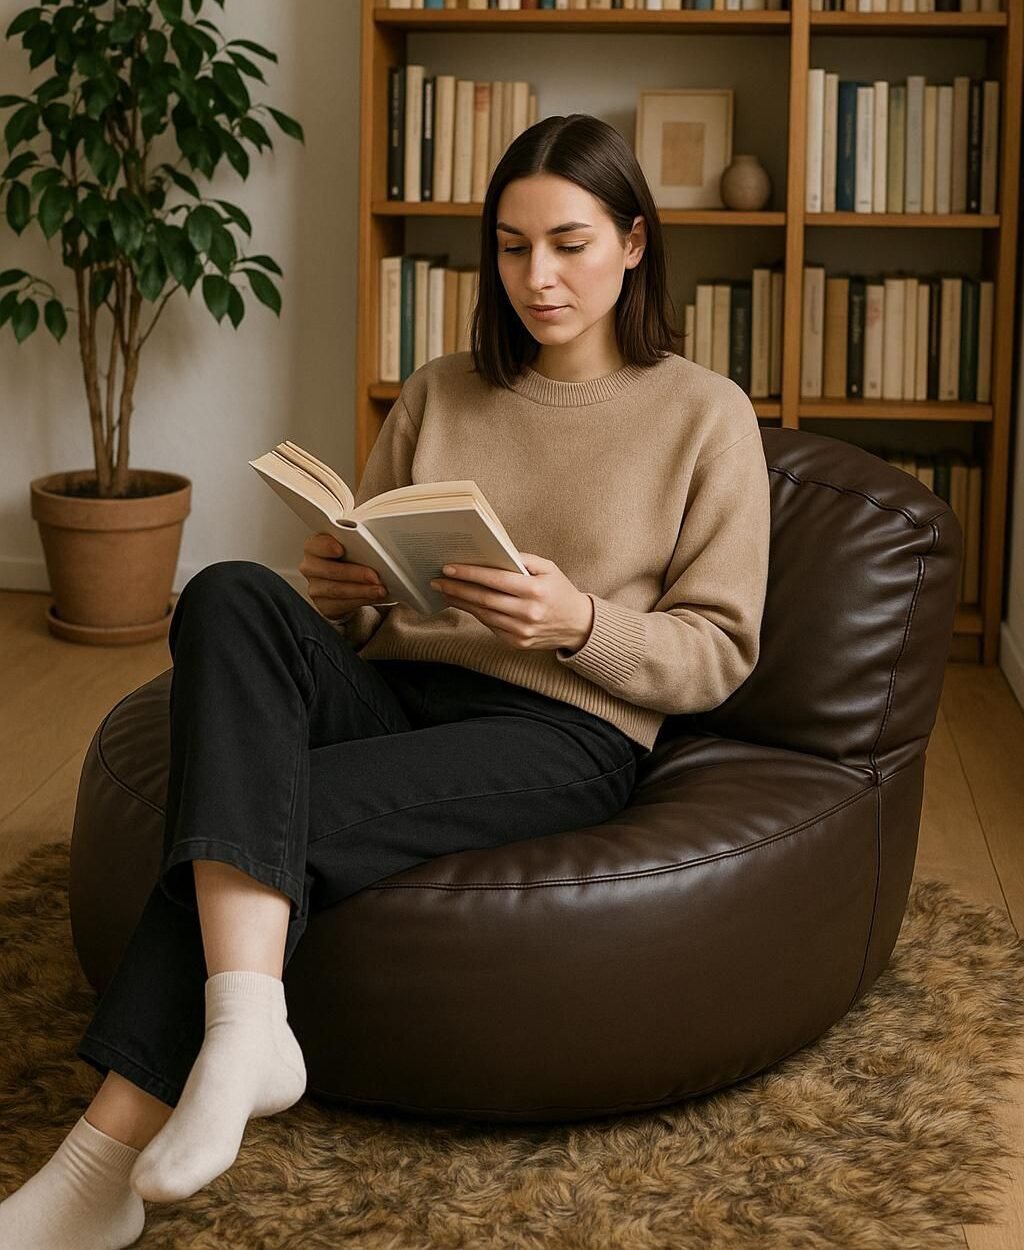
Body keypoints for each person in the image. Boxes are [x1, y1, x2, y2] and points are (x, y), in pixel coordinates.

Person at [0, 112, 771, 1248]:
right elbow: (375, 595)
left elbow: (719, 650)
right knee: (228, 590)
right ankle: (250, 1023)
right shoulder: (441, 389)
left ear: (634, 242)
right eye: (511, 247)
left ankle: (98, 1165)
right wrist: (342, 591)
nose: (538, 277)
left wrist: (579, 622)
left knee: (251, 815)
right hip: (402, 689)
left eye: (569, 244)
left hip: (562, 728)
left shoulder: (706, 413)